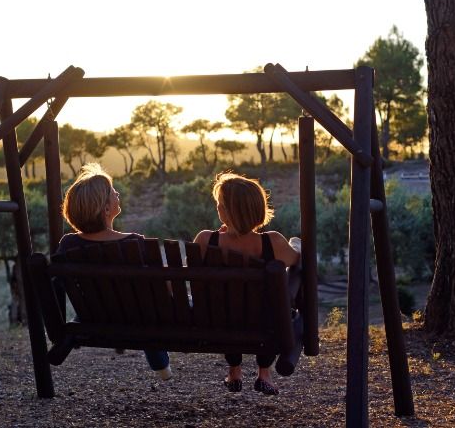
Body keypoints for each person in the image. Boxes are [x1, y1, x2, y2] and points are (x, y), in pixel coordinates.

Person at [57, 163, 172, 381]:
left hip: (95, 317)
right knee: (146, 311)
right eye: (112, 192)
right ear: (106, 209)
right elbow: (162, 287)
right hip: (140, 319)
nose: (117, 193)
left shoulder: (68, 244)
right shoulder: (135, 243)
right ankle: (160, 365)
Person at [194, 172, 300, 396]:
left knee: (230, 310)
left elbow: (190, 271)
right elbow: (296, 261)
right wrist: (297, 246)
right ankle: (264, 374)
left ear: (228, 211)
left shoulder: (206, 240)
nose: (217, 208)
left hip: (220, 323)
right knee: (271, 311)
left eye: (220, 204)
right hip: (265, 322)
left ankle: (234, 371)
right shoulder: (273, 242)